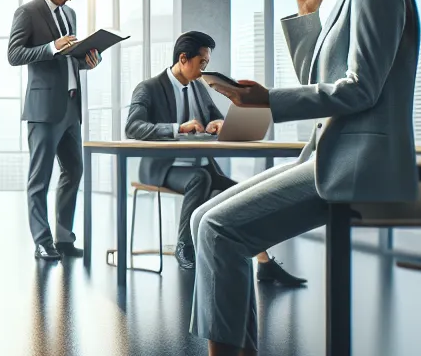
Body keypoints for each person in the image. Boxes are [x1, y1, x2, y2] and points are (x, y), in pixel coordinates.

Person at [159, 0, 419, 356]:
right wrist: (308, 15)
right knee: (208, 220)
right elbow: (321, 82)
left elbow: (360, 90)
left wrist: (266, 101)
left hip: (356, 163)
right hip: (334, 154)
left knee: (220, 226)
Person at [125, 31, 306, 285]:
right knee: (199, 179)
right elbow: (132, 127)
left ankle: (264, 263)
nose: (204, 70)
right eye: (202, 63)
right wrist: (178, 128)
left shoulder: (199, 88)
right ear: (183, 58)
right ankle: (184, 246)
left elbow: (215, 117)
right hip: (162, 168)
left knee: (242, 194)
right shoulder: (149, 88)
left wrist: (220, 123)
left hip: (200, 167)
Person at [8, 0, 101, 262]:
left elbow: (69, 57)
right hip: (44, 109)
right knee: (40, 179)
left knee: (74, 171)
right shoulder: (28, 12)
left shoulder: (70, 14)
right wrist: (51, 47)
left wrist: (85, 62)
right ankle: (41, 241)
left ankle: (64, 239)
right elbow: (14, 54)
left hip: (71, 107)